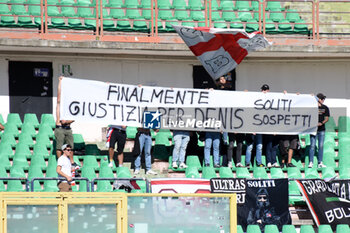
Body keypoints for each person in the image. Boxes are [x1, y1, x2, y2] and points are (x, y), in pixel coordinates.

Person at [55, 77, 77, 167]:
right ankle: (60, 161)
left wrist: (67, 121)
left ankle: (71, 162)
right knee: (59, 146)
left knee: (70, 146)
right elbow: (59, 95)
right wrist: (60, 82)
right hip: (60, 128)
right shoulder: (60, 104)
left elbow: (74, 118)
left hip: (68, 128)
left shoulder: (72, 108)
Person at [308, 93, 329, 168]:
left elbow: (327, 118)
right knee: (312, 146)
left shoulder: (325, 108)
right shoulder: (312, 107)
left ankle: (320, 162)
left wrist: (321, 123)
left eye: (323, 99)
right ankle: (311, 162)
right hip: (313, 130)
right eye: (322, 98)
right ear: (318, 99)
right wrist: (310, 98)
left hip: (321, 130)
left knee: (321, 146)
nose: (323, 100)